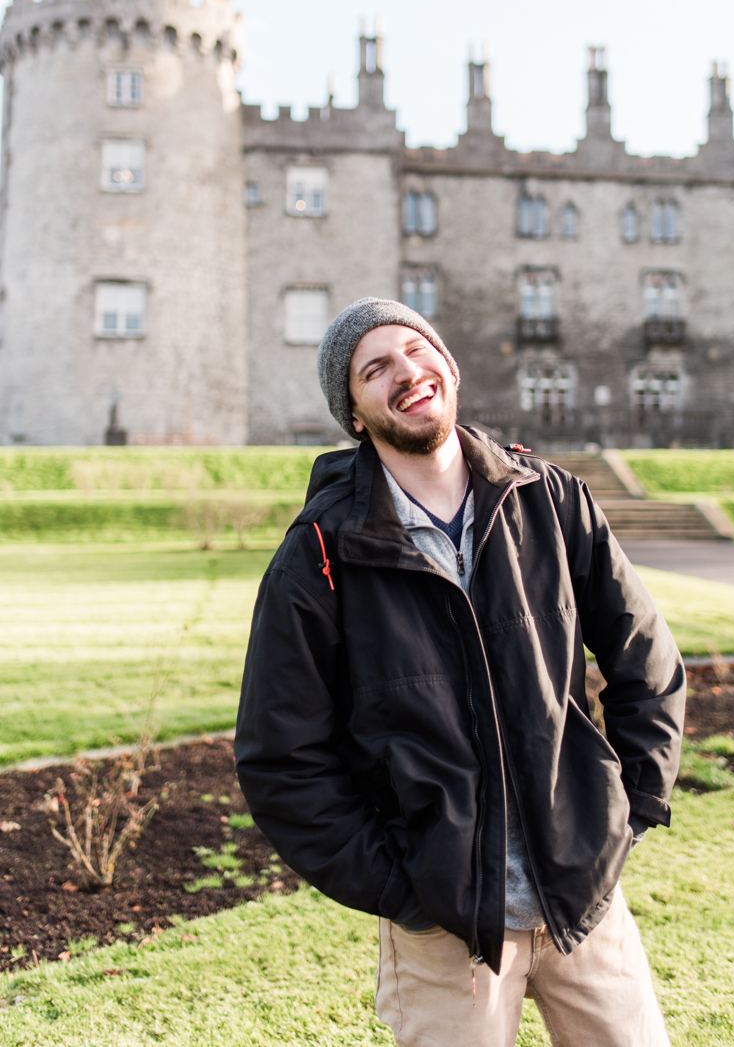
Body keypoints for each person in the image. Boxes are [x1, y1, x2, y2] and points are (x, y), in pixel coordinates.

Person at [235, 297, 685, 1047]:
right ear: (354, 413)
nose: (406, 372)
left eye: (417, 350)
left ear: (448, 364)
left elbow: (647, 661)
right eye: (374, 368)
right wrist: (400, 888)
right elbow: (281, 759)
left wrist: (629, 811)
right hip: (446, 932)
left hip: (585, 896)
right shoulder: (318, 555)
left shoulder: (551, 499)